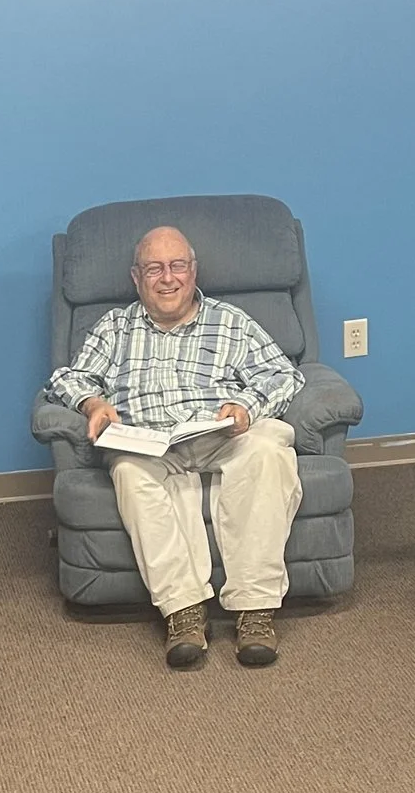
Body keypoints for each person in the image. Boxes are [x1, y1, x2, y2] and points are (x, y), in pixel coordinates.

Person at [43, 225, 305, 669]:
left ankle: (255, 610)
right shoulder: (114, 327)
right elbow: (67, 378)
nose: (168, 278)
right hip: (148, 443)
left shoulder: (230, 322)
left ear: (193, 270)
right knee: (127, 470)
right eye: (154, 269)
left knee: (268, 449)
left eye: (177, 266)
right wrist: (93, 403)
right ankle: (183, 612)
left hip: (221, 435)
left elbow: (284, 375)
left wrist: (246, 406)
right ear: (136, 278)